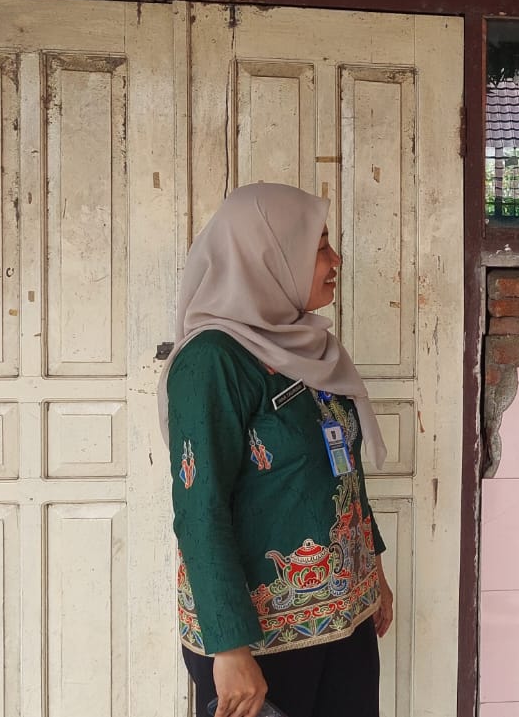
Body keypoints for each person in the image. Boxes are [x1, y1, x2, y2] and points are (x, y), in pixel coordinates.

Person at [160, 183, 393, 717]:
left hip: (345, 615)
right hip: (260, 644)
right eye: (319, 246)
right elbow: (199, 511)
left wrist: (372, 567)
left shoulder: (306, 347)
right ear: (270, 256)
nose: (335, 261)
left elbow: (342, 469)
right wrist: (229, 647)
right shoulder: (213, 362)